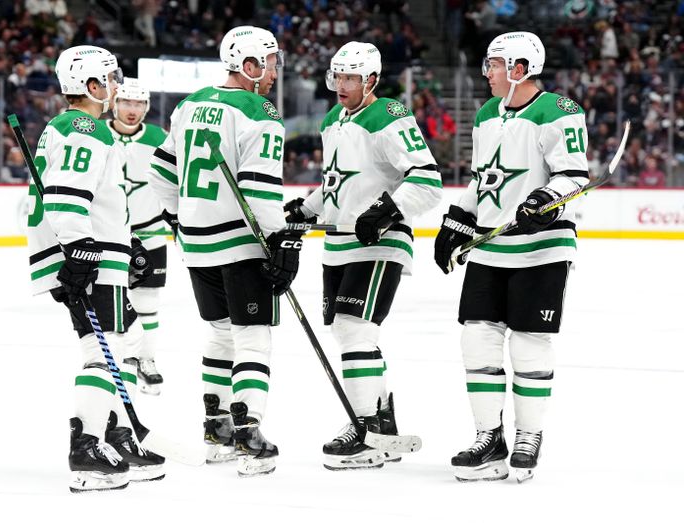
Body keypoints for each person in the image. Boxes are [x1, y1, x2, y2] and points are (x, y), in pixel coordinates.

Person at [433, 31, 589, 483]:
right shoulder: (486, 115)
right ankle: (489, 437)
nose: (489, 73)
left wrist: (545, 198)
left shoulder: (559, 111)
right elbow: (485, 180)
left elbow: (573, 177)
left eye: (495, 65)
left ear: (520, 68)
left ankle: (528, 436)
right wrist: (457, 219)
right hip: (490, 247)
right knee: (476, 340)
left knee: (528, 342)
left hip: (542, 248)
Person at [284, 42, 442, 470]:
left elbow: (427, 180)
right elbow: (338, 183)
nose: (340, 85)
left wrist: (387, 211)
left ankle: (366, 429)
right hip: (338, 244)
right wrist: (308, 207)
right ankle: (382, 422)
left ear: (370, 80)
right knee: (349, 334)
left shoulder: (388, 114)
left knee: (355, 330)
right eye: (337, 76)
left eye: (350, 77)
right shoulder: (334, 118)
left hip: (379, 242)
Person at [148, 25, 298, 477]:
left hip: (196, 244)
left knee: (218, 331)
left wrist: (183, 218)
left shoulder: (189, 104)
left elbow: (160, 171)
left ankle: (216, 429)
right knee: (252, 335)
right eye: (269, 62)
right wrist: (282, 241)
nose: (274, 71)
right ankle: (248, 429)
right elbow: (259, 188)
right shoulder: (259, 110)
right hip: (239, 241)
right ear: (249, 66)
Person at [27, 45, 163, 493]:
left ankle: (111, 435)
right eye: (109, 77)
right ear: (90, 85)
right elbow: (67, 196)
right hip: (90, 256)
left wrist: (131, 243)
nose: (116, 84)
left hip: (93, 251)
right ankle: (87, 445)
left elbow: (94, 199)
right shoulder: (86, 127)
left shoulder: (70, 126)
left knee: (108, 345)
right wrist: (83, 249)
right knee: (112, 347)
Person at [107, 77, 169, 395]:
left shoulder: (158, 137)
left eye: (139, 104)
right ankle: (119, 360)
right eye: (126, 103)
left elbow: (174, 181)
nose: (133, 110)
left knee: (148, 302)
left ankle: (147, 359)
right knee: (112, 302)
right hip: (111, 236)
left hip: (151, 233)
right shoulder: (100, 136)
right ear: (114, 104)